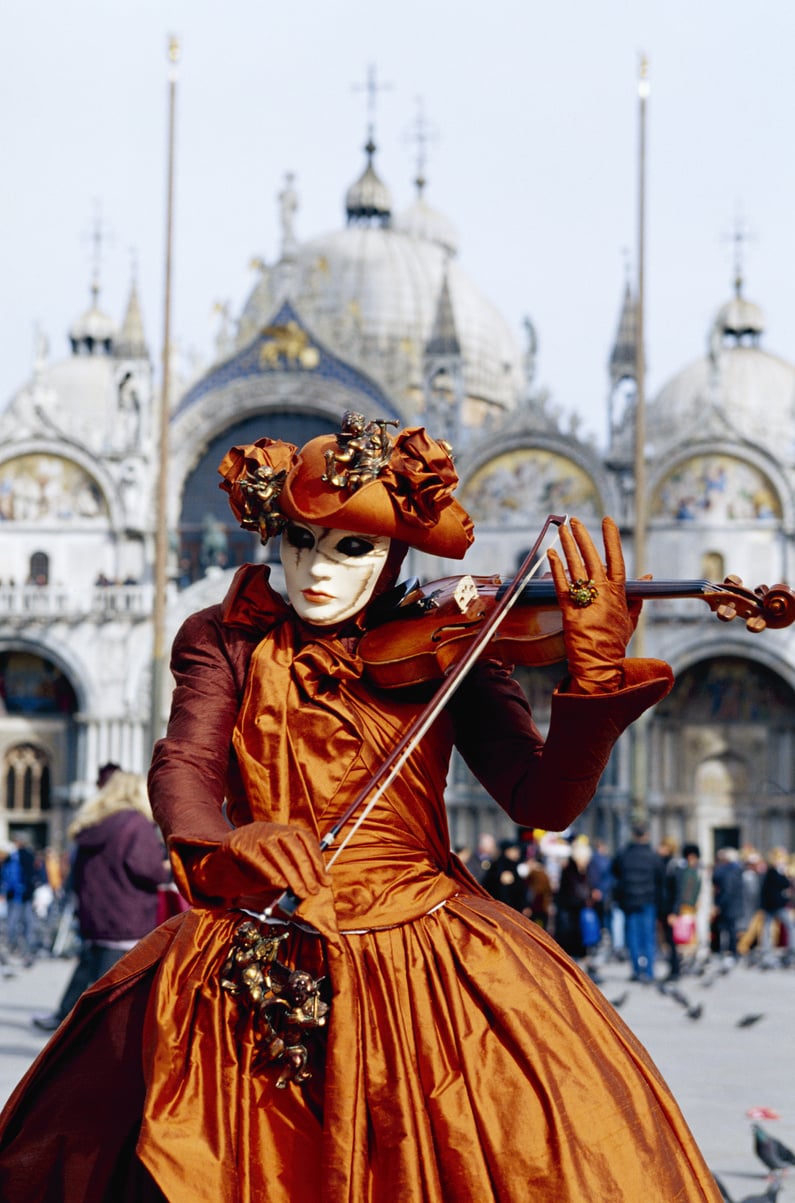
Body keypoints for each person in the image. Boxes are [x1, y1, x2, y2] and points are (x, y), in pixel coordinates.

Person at [0, 415, 723, 1201]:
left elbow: (539, 796)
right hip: (259, 930)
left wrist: (591, 691)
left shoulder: (455, 644)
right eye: (299, 541)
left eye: (351, 547)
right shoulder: (228, 639)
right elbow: (185, 765)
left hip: (422, 945)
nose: (316, 569)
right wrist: (226, 844)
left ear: (396, 554)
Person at [31, 768, 171, 1032]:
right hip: (127, 916)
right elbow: (148, 870)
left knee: (93, 972)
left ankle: (69, 1021)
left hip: (96, 916)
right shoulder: (135, 825)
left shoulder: (95, 824)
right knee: (117, 988)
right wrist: (168, 867)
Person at [612, 821, 663, 983]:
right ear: (646, 836)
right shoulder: (653, 856)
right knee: (648, 936)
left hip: (629, 900)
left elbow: (615, 873)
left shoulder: (624, 854)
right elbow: (660, 878)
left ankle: (636, 969)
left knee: (632, 936)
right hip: (648, 900)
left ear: (634, 835)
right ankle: (649, 972)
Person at [1, 831, 42, 966]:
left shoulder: (12, 857)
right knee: (28, 922)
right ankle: (28, 948)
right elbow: (34, 875)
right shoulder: (29, 855)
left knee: (12, 921)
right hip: (26, 895)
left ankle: (12, 946)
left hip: (15, 895)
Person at [759, 848, 795, 967]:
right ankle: (768, 950)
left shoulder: (774, 872)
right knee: (773, 929)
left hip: (774, 905)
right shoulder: (773, 872)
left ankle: (788, 950)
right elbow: (782, 885)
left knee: (782, 928)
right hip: (776, 906)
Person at [711, 846, 744, 961]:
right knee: (730, 929)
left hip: (728, 905)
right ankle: (731, 951)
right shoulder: (737, 869)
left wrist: (719, 904)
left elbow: (727, 889)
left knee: (727, 929)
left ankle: (728, 951)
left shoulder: (728, 870)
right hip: (733, 904)